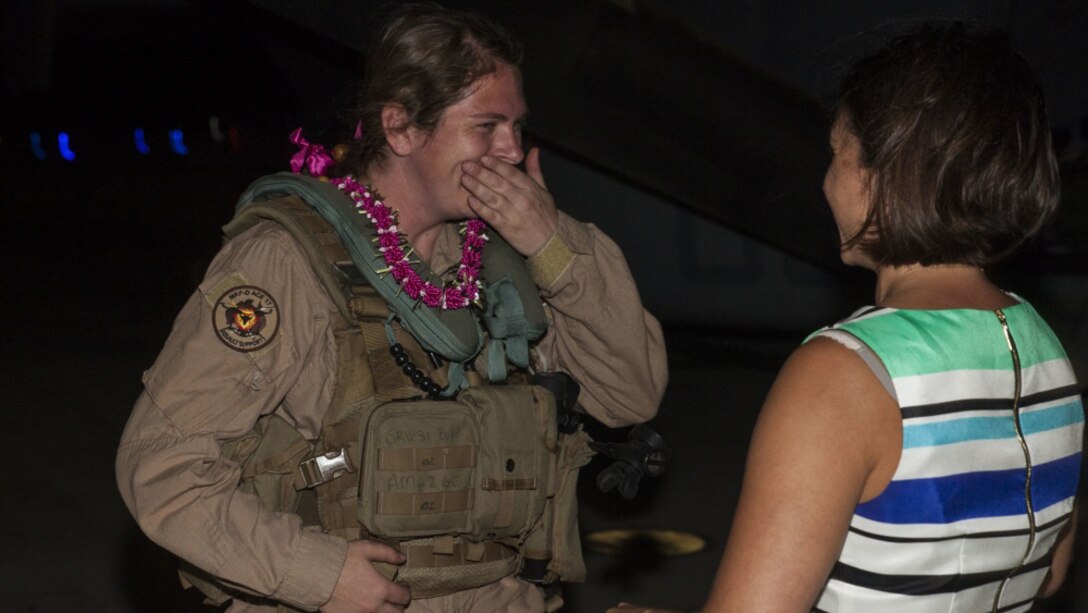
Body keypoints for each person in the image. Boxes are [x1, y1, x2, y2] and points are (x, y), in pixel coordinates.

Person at [116, 4, 667, 613]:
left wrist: (554, 246)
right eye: (486, 126)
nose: (512, 151)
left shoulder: (514, 258)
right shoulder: (289, 261)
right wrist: (317, 574)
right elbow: (164, 466)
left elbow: (628, 397)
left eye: (517, 126)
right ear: (402, 128)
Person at [613, 23, 1081, 613]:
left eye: (839, 153)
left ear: (887, 172)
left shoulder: (843, 373)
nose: (828, 180)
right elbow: (1048, 574)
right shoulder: (1045, 348)